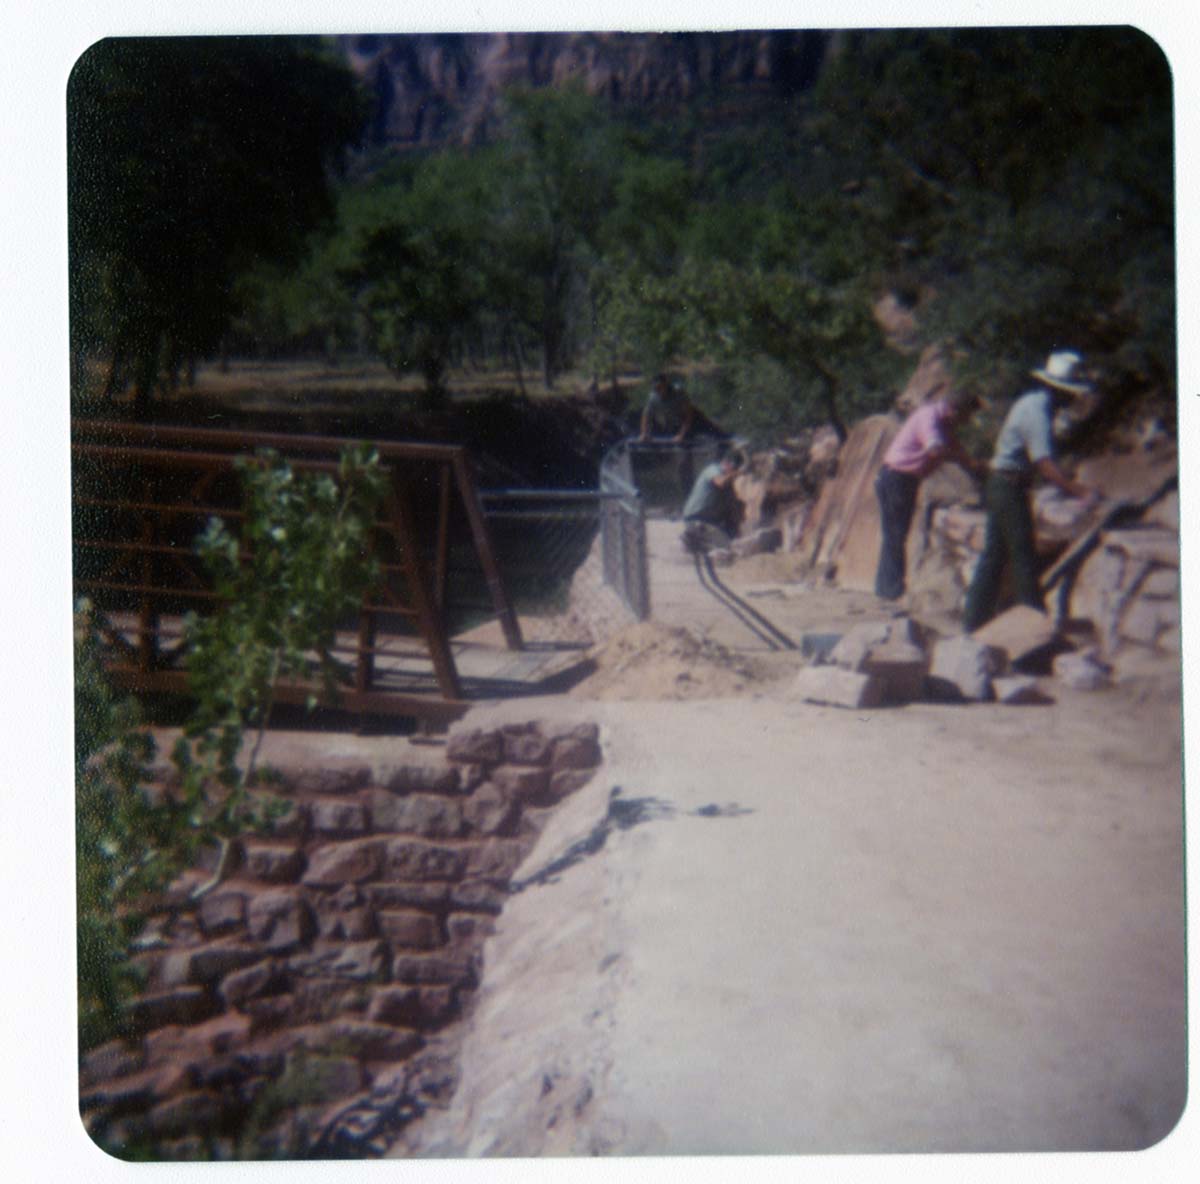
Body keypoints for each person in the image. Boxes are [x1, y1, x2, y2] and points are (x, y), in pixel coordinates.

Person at [962, 350, 1100, 632]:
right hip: (1008, 485)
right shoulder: (1037, 411)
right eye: (1069, 393)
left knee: (994, 556)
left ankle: (973, 623)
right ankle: (1034, 630)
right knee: (1023, 555)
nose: (1072, 399)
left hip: (1004, 483)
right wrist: (1079, 491)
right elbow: (1045, 463)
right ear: (1058, 390)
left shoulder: (1035, 404)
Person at [874, 389, 986, 601]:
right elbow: (936, 449)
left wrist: (973, 465)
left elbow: (956, 449)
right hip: (896, 476)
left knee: (897, 534)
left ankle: (887, 588)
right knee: (895, 535)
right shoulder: (930, 417)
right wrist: (966, 461)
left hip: (905, 479)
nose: (966, 421)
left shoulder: (945, 424)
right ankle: (890, 590)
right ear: (956, 410)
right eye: (966, 416)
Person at [680, 446, 745, 552]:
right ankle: (694, 539)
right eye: (734, 468)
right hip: (695, 517)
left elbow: (732, 503)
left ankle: (700, 540)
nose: (734, 472)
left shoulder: (727, 481)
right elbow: (720, 482)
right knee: (725, 546)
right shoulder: (713, 469)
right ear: (727, 463)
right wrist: (736, 473)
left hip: (709, 520)